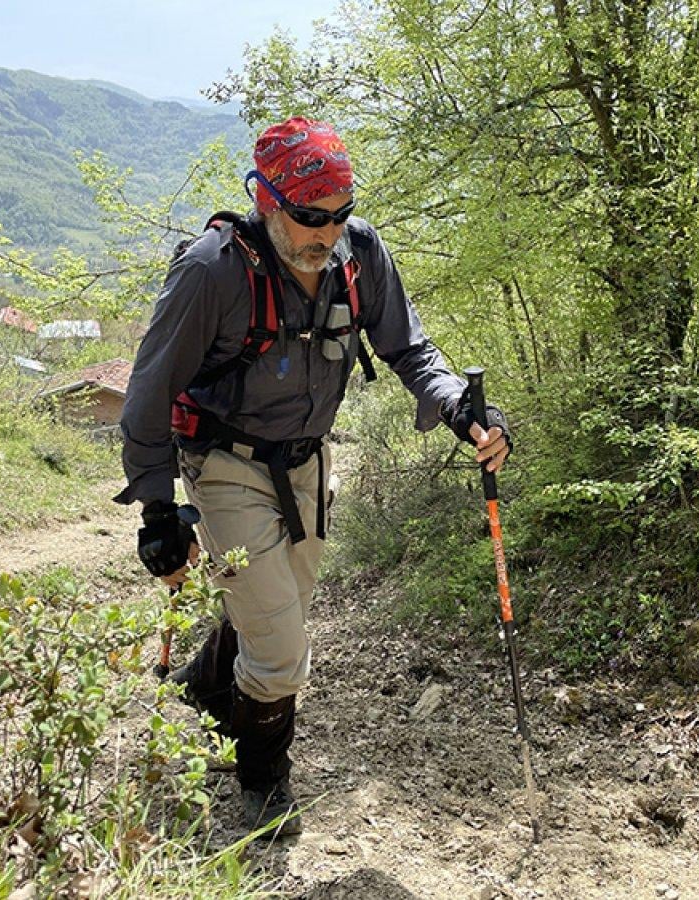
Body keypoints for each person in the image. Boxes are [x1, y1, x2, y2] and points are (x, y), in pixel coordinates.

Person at [117, 116, 511, 837]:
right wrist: (156, 509)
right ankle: (262, 780)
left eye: (338, 216)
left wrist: (461, 409)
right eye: (307, 217)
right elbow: (147, 392)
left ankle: (208, 690)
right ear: (266, 199)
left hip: (308, 462)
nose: (324, 234)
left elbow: (411, 349)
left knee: (280, 614)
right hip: (225, 462)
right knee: (282, 647)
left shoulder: (359, 257)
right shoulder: (213, 271)